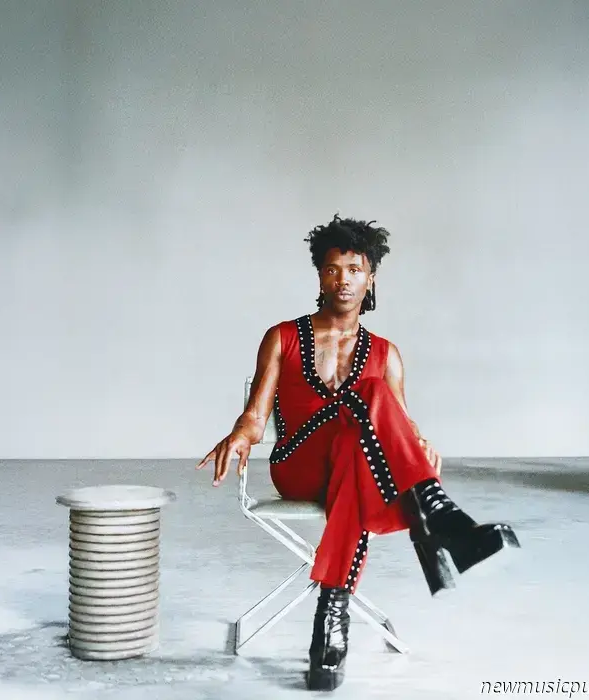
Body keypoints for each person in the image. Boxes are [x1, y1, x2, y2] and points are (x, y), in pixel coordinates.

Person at [196, 215, 520, 691]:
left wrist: (418, 443)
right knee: (368, 394)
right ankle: (438, 517)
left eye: (354, 270)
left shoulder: (386, 353)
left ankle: (330, 623)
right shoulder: (283, 336)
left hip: (354, 470)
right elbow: (256, 414)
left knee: (355, 450)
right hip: (299, 465)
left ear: (370, 279)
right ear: (320, 277)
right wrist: (241, 435)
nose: (343, 280)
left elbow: (399, 425)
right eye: (332, 269)